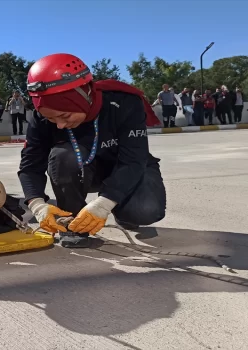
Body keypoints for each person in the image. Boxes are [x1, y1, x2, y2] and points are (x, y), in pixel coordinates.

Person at [19, 53, 166, 248]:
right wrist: (37, 204)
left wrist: (105, 203)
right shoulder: (41, 118)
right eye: (53, 120)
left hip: (127, 168)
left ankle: (121, 207)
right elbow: (30, 166)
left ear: (83, 95)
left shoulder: (124, 103)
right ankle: (72, 221)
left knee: (145, 210)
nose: (60, 125)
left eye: (64, 115)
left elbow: (133, 160)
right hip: (83, 171)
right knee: (63, 156)